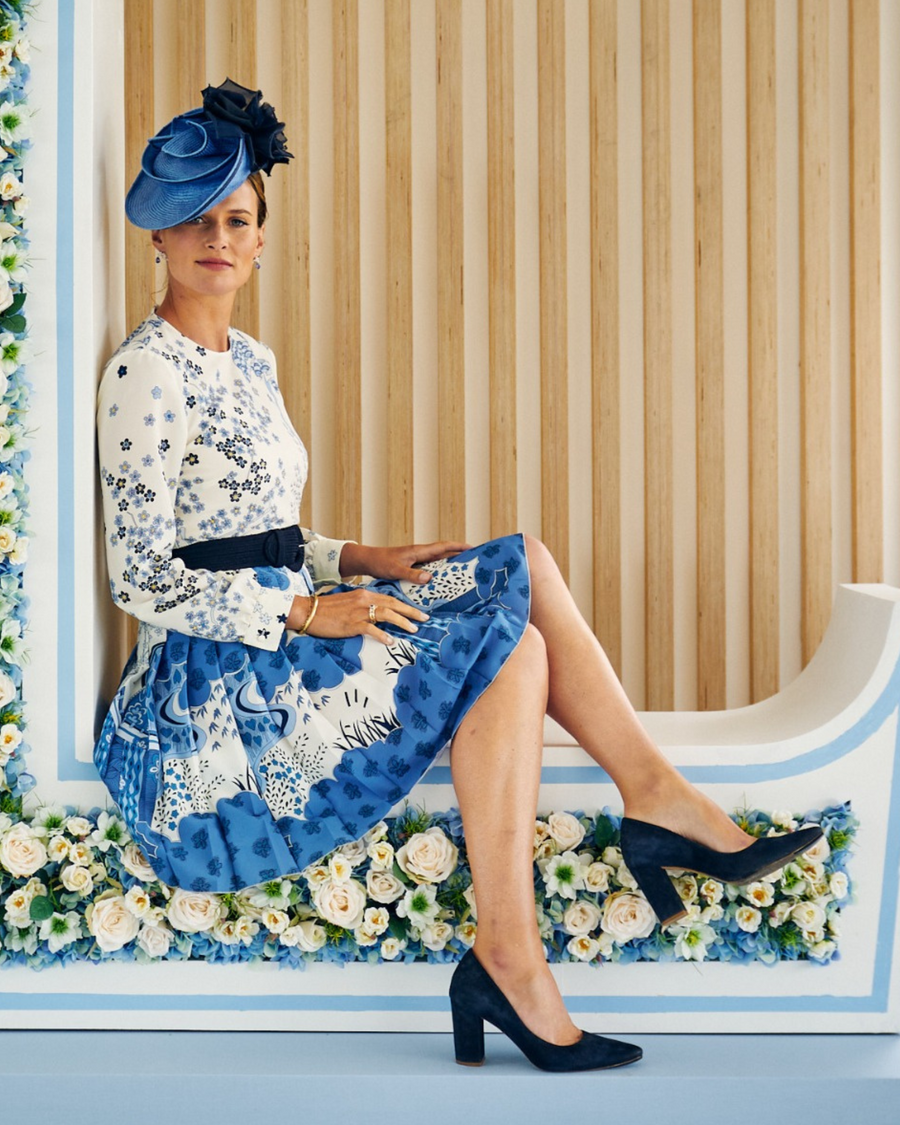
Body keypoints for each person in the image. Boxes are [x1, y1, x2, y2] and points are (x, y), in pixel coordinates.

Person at [95, 80, 822, 1072]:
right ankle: (620, 846)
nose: (217, 239)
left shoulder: (251, 363)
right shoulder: (144, 372)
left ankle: (520, 942)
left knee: (517, 613)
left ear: (261, 237)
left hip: (288, 612)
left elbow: (253, 532)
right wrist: (310, 609)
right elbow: (140, 575)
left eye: (237, 219)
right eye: (195, 221)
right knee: (513, 616)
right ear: (159, 238)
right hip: (209, 689)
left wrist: (355, 557)